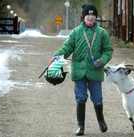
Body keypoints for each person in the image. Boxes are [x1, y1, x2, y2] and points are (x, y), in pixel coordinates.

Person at [51, 3, 113, 136]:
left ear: (96, 17)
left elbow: (108, 51)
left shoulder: (102, 33)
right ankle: (81, 126)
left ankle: (101, 120)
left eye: (93, 15)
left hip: (95, 71)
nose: (90, 17)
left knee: (97, 98)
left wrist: (102, 60)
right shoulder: (76, 32)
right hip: (79, 70)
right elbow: (67, 47)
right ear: (83, 17)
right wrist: (58, 55)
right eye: (88, 15)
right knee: (81, 98)